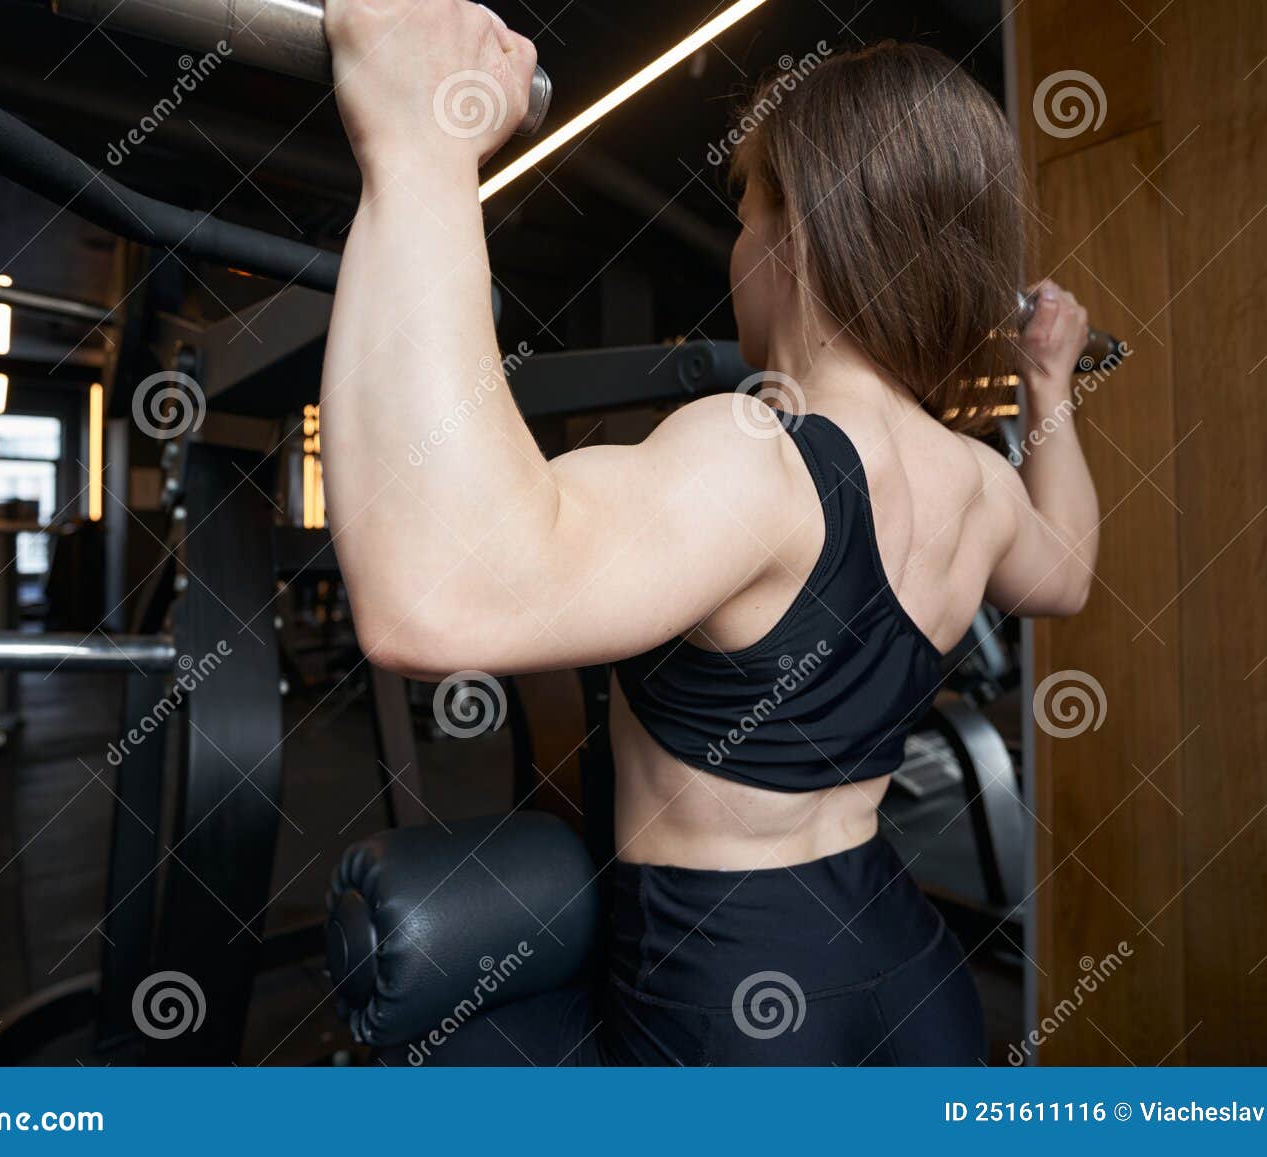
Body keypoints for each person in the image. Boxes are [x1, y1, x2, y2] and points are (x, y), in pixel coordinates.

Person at [318, 0, 1099, 1065]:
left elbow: (433, 597)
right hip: (909, 969)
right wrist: (1049, 387)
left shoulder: (756, 455)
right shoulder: (978, 483)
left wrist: (418, 139)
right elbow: (1068, 573)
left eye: (746, 214)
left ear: (799, 234)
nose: (739, 246)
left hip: (730, 976)